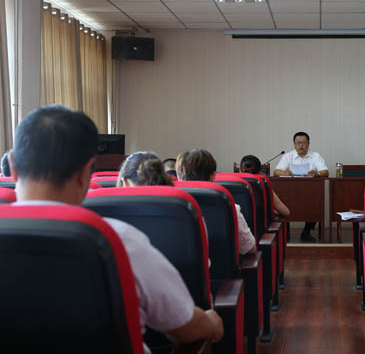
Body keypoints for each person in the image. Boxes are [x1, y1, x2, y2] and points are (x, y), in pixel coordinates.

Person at [8, 105, 223, 352]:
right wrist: (212, 321)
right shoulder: (116, 240)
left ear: (12, 166)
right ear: (86, 173)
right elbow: (185, 327)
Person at [176, 148, 256, 255]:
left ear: (178, 177)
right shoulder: (229, 208)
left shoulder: (168, 208)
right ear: (213, 176)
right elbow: (249, 248)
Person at [274, 132, 328, 242]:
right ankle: (286, 232)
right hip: (290, 191)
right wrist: (284, 172)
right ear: (294, 144)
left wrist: (317, 174)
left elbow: (325, 172)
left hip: (311, 192)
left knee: (316, 203)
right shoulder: (288, 156)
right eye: (298, 143)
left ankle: (306, 232)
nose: (301, 145)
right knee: (284, 199)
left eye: (304, 143)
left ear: (308, 144)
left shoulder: (316, 156)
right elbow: (276, 172)